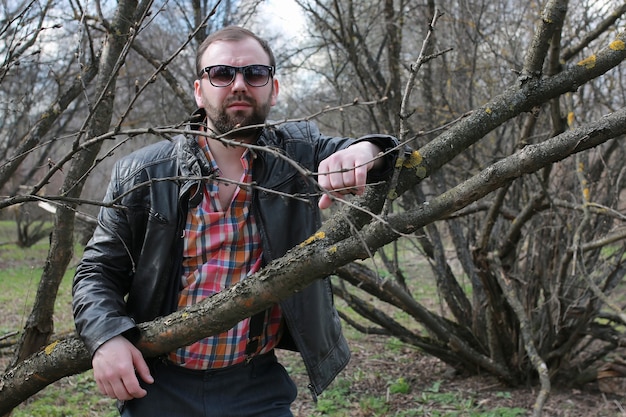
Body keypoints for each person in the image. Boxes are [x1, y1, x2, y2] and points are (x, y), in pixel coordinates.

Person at [72, 26, 398, 417]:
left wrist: (368, 150)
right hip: (159, 385)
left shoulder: (297, 154)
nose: (239, 84)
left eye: (254, 74)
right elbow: (97, 271)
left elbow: (381, 156)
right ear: (199, 90)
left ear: (273, 88)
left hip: (256, 386)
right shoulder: (143, 173)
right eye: (222, 74)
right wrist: (106, 336)